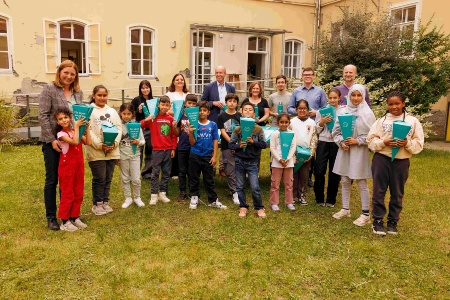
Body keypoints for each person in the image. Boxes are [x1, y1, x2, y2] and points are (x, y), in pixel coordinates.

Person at [367, 91, 424, 235]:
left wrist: (407, 143)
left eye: (397, 103)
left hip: (401, 161)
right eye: (391, 104)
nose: (394, 107)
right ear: (387, 105)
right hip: (382, 159)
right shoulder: (381, 121)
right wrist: (383, 142)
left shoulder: (412, 122)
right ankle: (378, 220)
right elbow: (370, 140)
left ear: (403, 104)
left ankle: (393, 221)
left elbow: (419, 144)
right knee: (379, 191)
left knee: (397, 192)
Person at [38, 60, 83, 230]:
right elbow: (42, 115)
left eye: (72, 74)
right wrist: (52, 140)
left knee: (70, 179)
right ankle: (51, 217)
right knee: (52, 180)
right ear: (59, 72)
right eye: (66, 73)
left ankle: (69, 216)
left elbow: (80, 116)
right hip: (53, 142)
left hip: (71, 142)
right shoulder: (49, 89)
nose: (69, 77)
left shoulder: (77, 92)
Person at [331, 84, 376, 226]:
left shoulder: (368, 114)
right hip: (345, 150)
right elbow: (336, 131)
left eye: (359, 95)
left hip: (359, 151)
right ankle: (345, 209)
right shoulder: (343, 112)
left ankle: (365, 214)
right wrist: (341, 142)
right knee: (344, 179)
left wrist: (358, 140)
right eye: (353, 95)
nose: (356, 98)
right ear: (349, 96)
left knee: (361, 181)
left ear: (363, 97)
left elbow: (372, 135)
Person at [287, 67, 327, 188]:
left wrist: (316, 112)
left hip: (314, 125)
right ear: (302, 76)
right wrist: (300, 111)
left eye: (310, 74)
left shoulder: (320, 91)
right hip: (298, 124)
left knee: (311, 151)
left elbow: (325, 108)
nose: (307, 76)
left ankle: (308, 177)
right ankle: (295, 174)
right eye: (305, 74)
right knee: (298, 148)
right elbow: (290, 108)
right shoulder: (296, 91)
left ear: (313, 76)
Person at [86, 85, 122, 215]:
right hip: (96, 152)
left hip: (112, 150)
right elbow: (88, 130)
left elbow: (119, 128)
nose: (102, 98)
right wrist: (100, 145)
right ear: (93, 95)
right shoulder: (89, 111)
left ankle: (105, 201)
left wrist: (115, 142)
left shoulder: (112, 111)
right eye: (99, 95)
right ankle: (97, 204)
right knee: (99, 178)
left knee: (108, 177)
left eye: (104, 95)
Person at [55, 109, 91, 231]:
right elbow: (75, 142)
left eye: (65, 117)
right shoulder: (61, 134)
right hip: (67, 168)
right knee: (67, 194)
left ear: (70, 118)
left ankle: (75, 217)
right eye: (60, 119)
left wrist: (87, 128)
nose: (63, 120)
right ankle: (65, 221)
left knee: (78, 192)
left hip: (78, 166)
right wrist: (76, 125)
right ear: (58, 122)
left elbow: (89, 142)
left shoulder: (76, 131)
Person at [229, 102, 267, 218]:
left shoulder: (258, 129)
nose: (248, 111)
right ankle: (243, 206)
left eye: (250, 110)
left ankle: (259, 207)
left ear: (254, 114)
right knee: (240, 186)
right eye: (245, 109)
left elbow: (264, 145)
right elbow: (231, 145)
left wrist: (253, 142)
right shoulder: (237, 129)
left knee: (255, 186)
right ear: (241, 112)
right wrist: (238, 146)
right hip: (239, 161)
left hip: (252, 162)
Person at [187, 101, 226, 210]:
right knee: (194, 177)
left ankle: (212, 200)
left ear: (208, 112)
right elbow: (192, 143)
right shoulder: (193, 124)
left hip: (207, 156)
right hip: (195, 154)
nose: (202, 112)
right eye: (200, 110)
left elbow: (215, 141)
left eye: (204, 110)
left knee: (209, 179)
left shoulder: (213, 125)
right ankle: (194, 197)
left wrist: (214, 156)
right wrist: (190, 132)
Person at [141, 96, 177, 205]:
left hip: (168, 150)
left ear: (170, 106)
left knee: (166, 173)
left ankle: (163, 193)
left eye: (167, 105)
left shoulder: (171, 119)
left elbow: (173, 136)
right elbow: (141, 124)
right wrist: (147, 118)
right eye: (163, 104)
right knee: (155, 172)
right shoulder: (153, 118)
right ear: (158, 105)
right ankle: (154, 195)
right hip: (157, 150)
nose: (165, 107)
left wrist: (173, 148)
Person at [314, 88, 341, 207]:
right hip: (323, 142)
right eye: (330, 98)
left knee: (334, 172)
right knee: (319, 170)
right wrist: (322, 122)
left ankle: (331, 199)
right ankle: (319, 198)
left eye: (335, 98)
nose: (332, 100)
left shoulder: (343, 111)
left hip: (336, 143)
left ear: (339, 98)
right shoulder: (322, 111)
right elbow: (317, 129)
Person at [117, 103, 146, 209]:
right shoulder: (118, 126)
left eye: (129, 114)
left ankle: (137, 197)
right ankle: (128, 198)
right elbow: (115, 142)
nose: (126, 116)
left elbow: (143, 141)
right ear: (120, 114)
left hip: (135, 156)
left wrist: (138, 142)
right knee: (125, 178)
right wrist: (116, 157)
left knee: (136, 179)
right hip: (122, 156)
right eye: (124, 113)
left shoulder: (137, 126)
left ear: (132, 114)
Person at [290, 100, 317, 206]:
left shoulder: (312, 123)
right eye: (299, 108)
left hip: (306, 155)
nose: (302, 110)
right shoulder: (292, 122)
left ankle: (302, 196)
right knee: (293, 174)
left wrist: (311, 153)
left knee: (304, 175)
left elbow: (314, 139)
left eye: (304, 108)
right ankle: (292, 195)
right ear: (296, 110)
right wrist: (291, 154)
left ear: (308, 110)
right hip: (293, 153)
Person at [217, 93, 241, 204]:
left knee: (239, 168)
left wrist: (237, 143)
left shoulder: (240, 116)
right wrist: (232, 143)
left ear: (237, 103)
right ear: (226, 103)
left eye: (234, 101)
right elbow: (222, 131)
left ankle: (239, 188)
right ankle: (234, 191)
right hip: (227, 146)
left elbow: (242, 132)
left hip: (239, 146)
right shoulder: (221, 116)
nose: (232, 103)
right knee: (230, 169)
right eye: (229, 101)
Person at [269, 114, 296, 211]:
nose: (284, 124)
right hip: (277, 162)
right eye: (281, 122)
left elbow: (293, 147)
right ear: (277, 123)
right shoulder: (275, 134)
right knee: (275, 183)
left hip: (288, 162)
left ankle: (289, 202)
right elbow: (272, 148)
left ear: (289, 123)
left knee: (289, 183)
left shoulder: (292, 133)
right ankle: (274, 203)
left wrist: (288, 158)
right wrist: (279, 159)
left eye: (286, 122)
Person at [173, 94, 198, 202]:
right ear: (185, 104)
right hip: (182, 147)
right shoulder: (180, 117)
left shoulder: (197, 116)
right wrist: (174, 126)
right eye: (189, 103)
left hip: (194, 147)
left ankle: (193, 191)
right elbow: (178, 134)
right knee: (182, 171)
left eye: (193, 103)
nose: (191, 105)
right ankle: (182, 191)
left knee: (192, 171)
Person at [166, 73, 189, 180]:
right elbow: (165, 108)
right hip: (174, 121)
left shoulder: (187, 94)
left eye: (181, 79)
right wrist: (177, 113)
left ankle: (185, 170)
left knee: (184, 144)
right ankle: (174, 171)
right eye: (177, 79)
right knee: (174, 144)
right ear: (173, 82)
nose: (180, 81)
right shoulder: (169, 94)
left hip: (185, 122)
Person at [131, 80, 153, 179]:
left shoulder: (153, 100)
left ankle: (147, 172)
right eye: (143, 88)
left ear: (150, 88)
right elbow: (130, 113)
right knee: (138, 152)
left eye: (147, 87)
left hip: (150, 128)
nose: (145, 90)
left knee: (149, 151)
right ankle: (135, 173)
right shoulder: (136, 100)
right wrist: (138, 110)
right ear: (140, 89)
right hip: (140, 128)